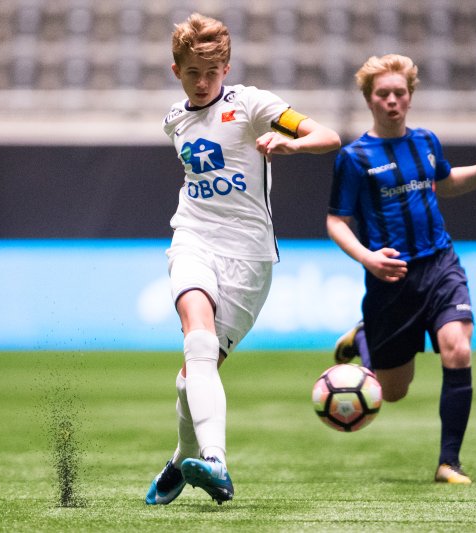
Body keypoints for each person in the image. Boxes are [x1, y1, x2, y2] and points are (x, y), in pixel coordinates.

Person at [145, 13, 341, 505]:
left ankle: (181, 460)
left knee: (192, 376)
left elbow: (328, 136)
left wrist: (291, 143)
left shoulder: (252, 104)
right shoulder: (173, 120)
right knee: (197, 339)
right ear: (176, 71)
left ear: (226, 69)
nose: (203, 82)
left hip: (249, 257)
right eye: (193, 73)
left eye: (212, 72)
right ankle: (216, 462)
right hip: (192, 237)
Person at [327, 54, 476, 485]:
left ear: (410, 96)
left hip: (441, 264)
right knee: (393, 392)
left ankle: (449, 462)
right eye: (383, 94)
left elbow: (444, 182)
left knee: (457, 348)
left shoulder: (426, 141)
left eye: (399, 93)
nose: (392, 101)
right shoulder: (354, 157)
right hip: (391, 279)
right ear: (369, 100)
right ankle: (366, 336)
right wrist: (368, 258)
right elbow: (336, 222)